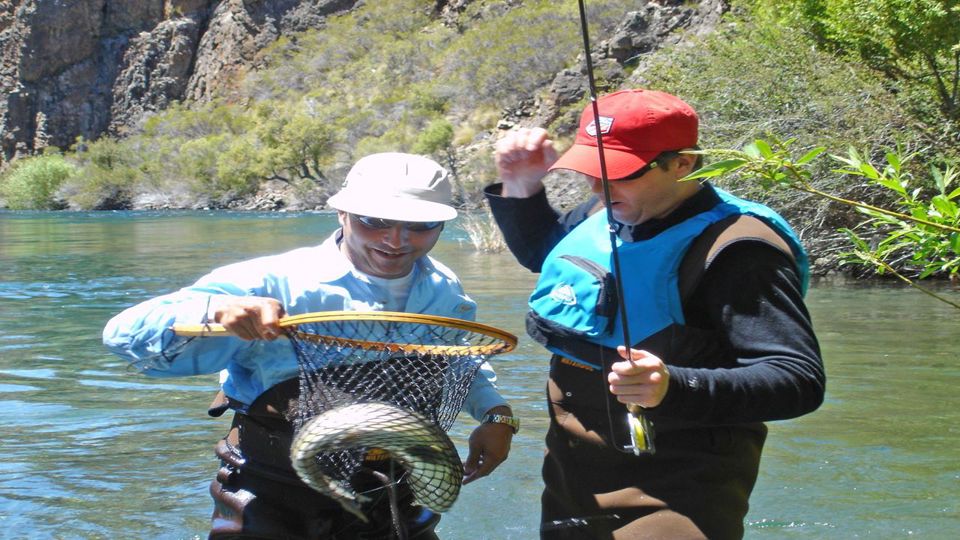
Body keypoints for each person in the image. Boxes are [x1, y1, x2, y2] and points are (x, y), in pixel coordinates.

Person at [103, 152, 519, 539]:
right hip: (272, 490)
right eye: (374, 220)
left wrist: (496, 416)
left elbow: (456, 360)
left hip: (394, 485)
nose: (396, 240)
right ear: (342, 212)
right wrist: (216, 311)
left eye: (420, 226)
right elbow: (123, 335)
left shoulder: (444, 289)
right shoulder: (269, 279)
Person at [485, 89, 825, 539]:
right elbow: (547, 254)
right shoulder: (610, 208)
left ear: (682, 163)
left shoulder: (740, 250)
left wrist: (673, 385)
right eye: (591, 171)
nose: (597, 188)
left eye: (618, 173)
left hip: (680, 481)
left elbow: (798, 379)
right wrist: (523, 187)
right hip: (573, 471)